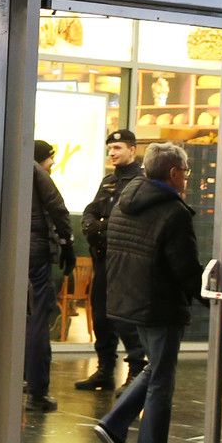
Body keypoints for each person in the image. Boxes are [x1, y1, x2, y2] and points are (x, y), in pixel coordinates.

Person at [90, 142, 201, 443]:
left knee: (156, 368)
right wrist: (210, 297)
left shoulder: (126, 201)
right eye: (186, 172)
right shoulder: (173, 212)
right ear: (173, 172)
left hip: (127, 299)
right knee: (161, 379)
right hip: (159, 304)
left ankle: (114, 424)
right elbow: (184, 267)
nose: (187, 178)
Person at [75, 129, 148, 391]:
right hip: (103, 259)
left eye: (117, 148)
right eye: (110, 149)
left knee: (124, 316)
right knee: (101, 315)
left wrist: (103, 227)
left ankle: (136, 370)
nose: (112, 153)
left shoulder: (141, 181)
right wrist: (92, 225)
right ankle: (105, 369)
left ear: (132, 149)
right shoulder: (108, 181)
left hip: (125, 261)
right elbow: (91, 210)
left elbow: (129, 220)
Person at [25, 138, 73, 412]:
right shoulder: (36, 171)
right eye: (51, 157)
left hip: (4, 252)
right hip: (36, 253)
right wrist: (66, 242)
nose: (53, 162)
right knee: (39, 316)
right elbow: (57, 207)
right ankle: (37, 392)